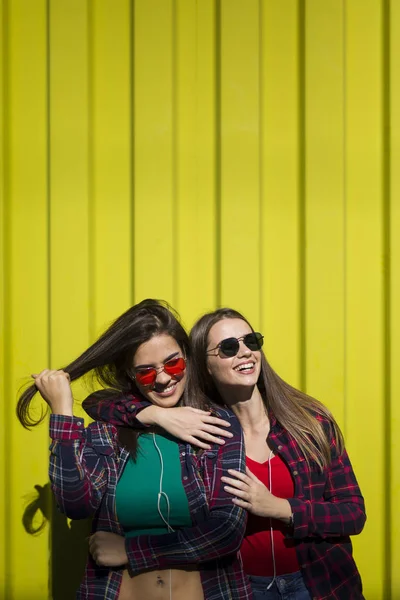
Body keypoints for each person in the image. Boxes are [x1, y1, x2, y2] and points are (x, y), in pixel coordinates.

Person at [87, 307, 366, 600]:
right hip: (243, 589)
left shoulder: (310, 422)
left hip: (318, 584)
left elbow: (353, 513)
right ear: (203, 365)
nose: (244, 352)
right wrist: (156, 414)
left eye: (251, 341)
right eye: (229, 348)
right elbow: (96, 403)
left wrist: (281, 508)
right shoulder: (200, 430)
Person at [16, 300, 253, 600]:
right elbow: (76, 504)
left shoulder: (217, 425)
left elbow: (226, 532)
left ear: (188, 358)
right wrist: (63, 413)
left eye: (173, 363)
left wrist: (130, 550)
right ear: (130, 374)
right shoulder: (108, 431)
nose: (164, 379)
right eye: (146, 372)